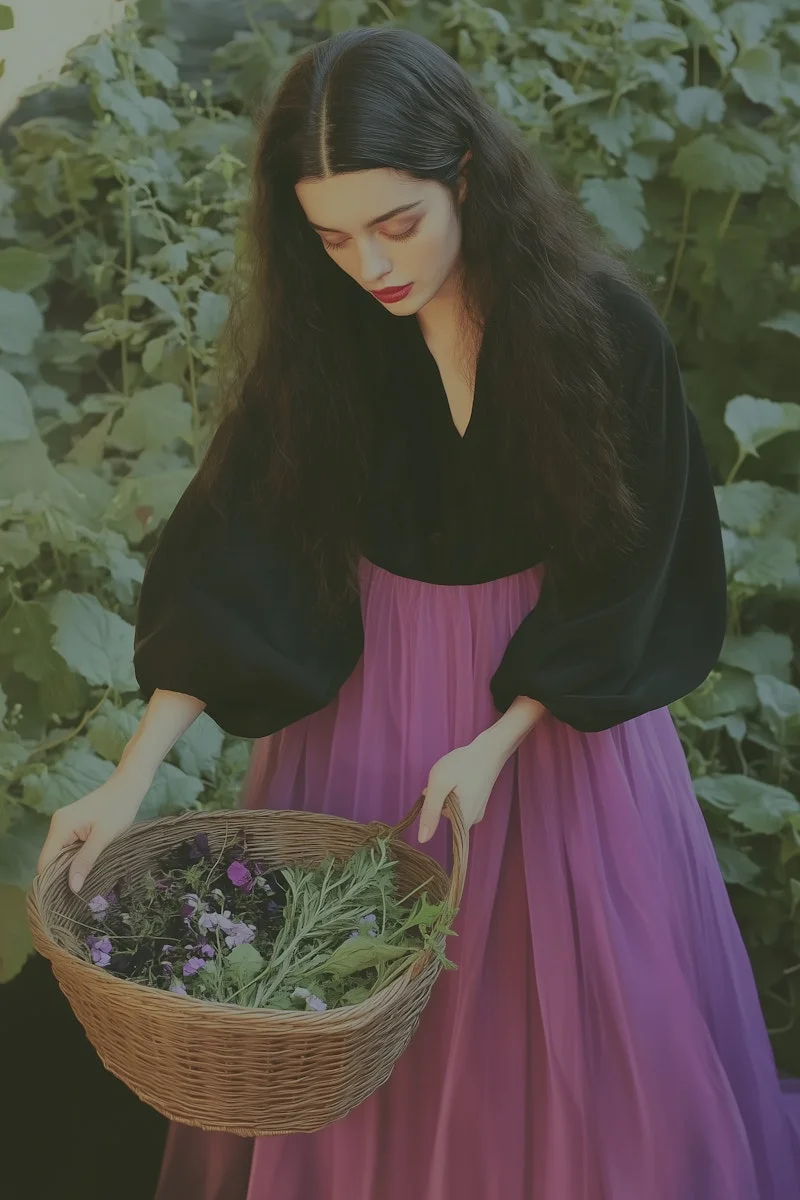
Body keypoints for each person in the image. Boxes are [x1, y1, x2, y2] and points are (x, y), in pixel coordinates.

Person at [37, 25, 800, 1200]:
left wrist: (500, 739)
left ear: (462, 176)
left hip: (546, 717)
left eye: (396, 225)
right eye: (333, 237)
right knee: (339, 992)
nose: (371, 265)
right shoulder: (331, 337)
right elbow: (239, 543)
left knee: (574, 1015)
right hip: (365, 709)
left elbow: (632, 563)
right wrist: (132, 774)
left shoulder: (595, 327)